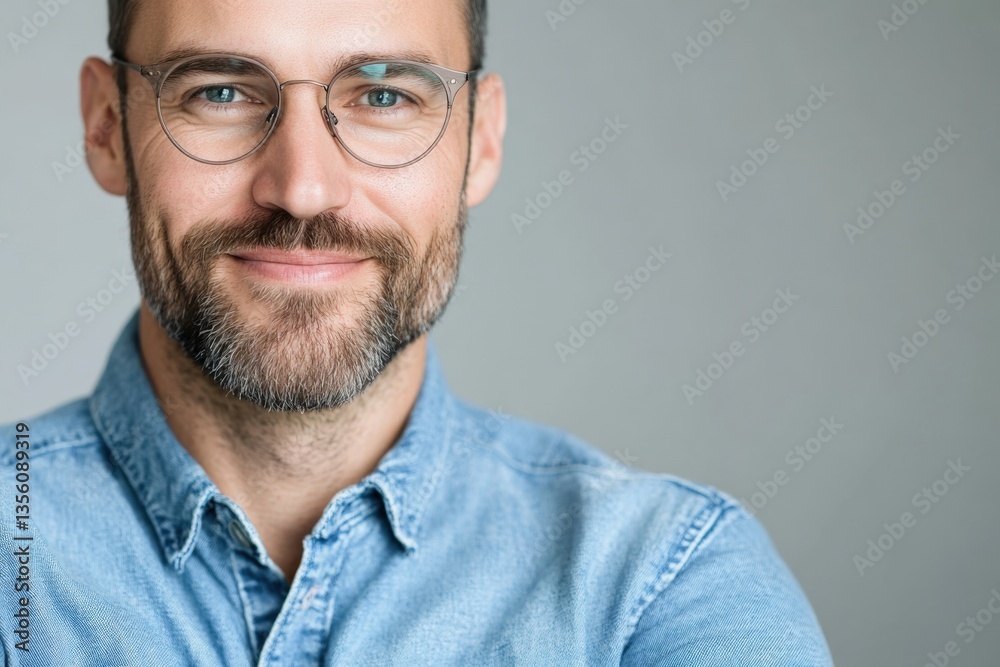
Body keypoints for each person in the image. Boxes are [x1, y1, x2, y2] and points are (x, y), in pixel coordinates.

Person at [0, 0, 834, 663]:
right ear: (106, 126)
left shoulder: (661, 582)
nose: (303, 188)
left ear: (481, 140)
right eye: (219, 91)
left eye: (383, 95)